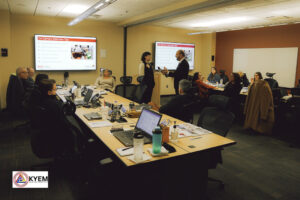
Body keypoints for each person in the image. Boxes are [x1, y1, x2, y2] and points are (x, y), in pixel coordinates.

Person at [38, 79, 78, 154]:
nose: (56, 91)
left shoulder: (42, 100)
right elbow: (66, 121)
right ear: (49, 92)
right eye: (55, 89)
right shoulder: (54, 105)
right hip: (58, 134)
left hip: (48, 132)